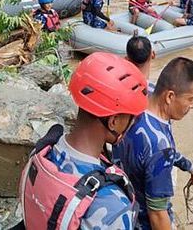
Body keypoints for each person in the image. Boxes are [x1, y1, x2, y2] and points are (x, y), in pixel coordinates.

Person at [17, 52, 148, 229]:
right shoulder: (113, 205)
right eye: (131, 118)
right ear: (114, 121)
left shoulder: (44, 152)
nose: (132, 123)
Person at [113, 57, 193, 230]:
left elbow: (166, 152)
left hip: (122, 195)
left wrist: (192, 168)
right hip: (141, 221)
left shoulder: (142, 96)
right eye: (191, 99)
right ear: (170, 96)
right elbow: (157, 214)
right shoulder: (160, 147)